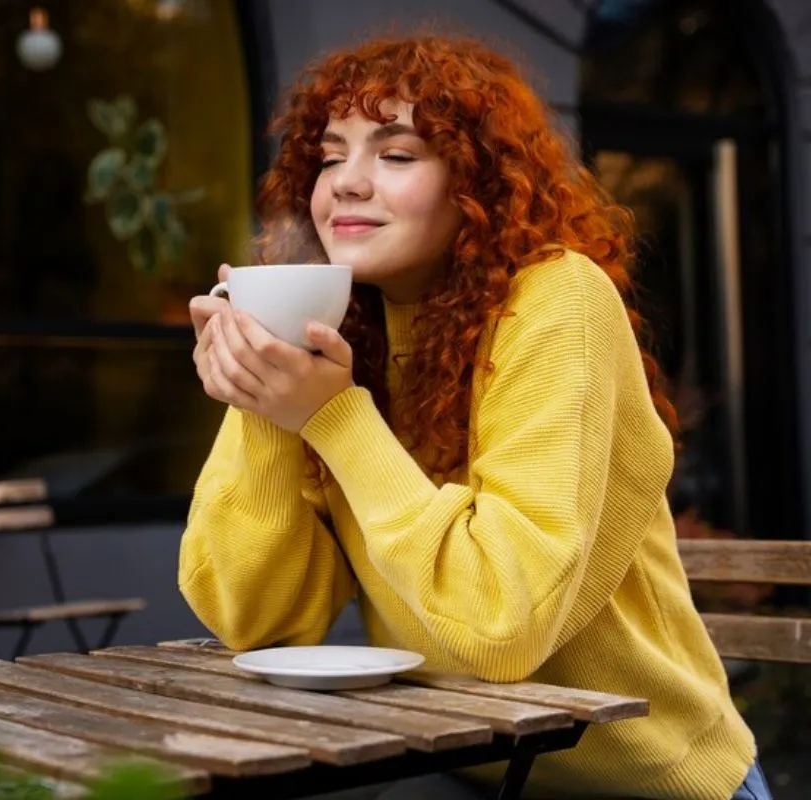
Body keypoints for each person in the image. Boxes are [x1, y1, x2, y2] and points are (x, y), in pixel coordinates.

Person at [178, 33, 771, 800]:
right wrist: (264, 390)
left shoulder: (558, 302)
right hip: (464, 769)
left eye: (395, 156)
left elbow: (500, 627)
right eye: (330, 156)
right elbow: (253, 621)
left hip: (645, 783)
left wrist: (335, 417)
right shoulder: (349, 329)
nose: (347, 184)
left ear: (477, 182)